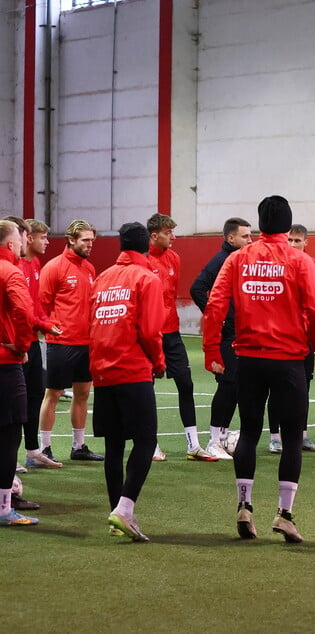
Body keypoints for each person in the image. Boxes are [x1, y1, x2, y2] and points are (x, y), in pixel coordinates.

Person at [203, 195, 315, 542]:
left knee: (248, 431)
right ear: (289, 227)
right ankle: (285, 515)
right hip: (289, 360)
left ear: (259, 225)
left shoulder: (239, 259)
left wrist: (210, 349)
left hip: (250, 359)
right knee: (291, 437)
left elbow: (215, 305)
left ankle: (244, 507)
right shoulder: (300, 261)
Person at [90, 222, 166, 541]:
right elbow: (149, 330)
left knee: (113, 446)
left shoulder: (102, 278)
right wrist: (159, 362)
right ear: (146, 246)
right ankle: (124, 509)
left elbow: (90, 322)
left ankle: (115, 514)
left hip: (103, 370)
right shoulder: (147, 278)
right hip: (132, 369)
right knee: (146, 441)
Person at [147, 213, 216, 461]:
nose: (173, 237)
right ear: (154, 235)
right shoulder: (142, 261)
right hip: (149, 334)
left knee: (186, 384)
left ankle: (193, 445)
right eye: (169, 233)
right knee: (148, 390)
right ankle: (150, 444)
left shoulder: (174, 258)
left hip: (172, 333)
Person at [38, 219, 103, 462]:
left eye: (92, 241)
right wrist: (50, 330)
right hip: (61, 344)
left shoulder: (89, 268)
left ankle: (78, 447)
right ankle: (44, 448)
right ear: (71, 240)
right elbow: (41, 306)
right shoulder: (54, 268)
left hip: (85, 343)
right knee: (53, 394)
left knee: (83, 394)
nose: (90, 245)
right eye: (85, 240)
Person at [190, 217, 253, 460]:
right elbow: (196, 288)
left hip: (238, 332)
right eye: (245, 236)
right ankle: (215, 440)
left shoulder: (241, 259)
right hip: (225, 335)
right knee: (227, 386)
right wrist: (220, 315)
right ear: (231, 238)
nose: (251, 240)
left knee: (236, 386)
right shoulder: (221, 260)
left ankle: (222, 437)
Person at [269, 223, 315, 453]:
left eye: (297, 241)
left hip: (304, 340)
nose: (292, 245)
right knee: (276, 389)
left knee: (304, 388)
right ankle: (274, 437)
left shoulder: (312, 265)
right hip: (279, 339)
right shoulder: (275, 265)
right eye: (289, 240)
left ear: (306, 243)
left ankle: (302, 434)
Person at [0, 219, 39, 526]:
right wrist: (22, 345)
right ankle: (4, 509)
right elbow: (23, 313)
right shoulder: (11, 271)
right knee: (9, 435)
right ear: (11, 244)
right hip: (6, 364)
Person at [17, 219, 63, 470]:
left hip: (32, 341)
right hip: (18, 345)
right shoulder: (16, 266)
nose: (47, 241)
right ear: (29, 238)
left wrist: (46, 322)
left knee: (35, 395)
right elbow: (20, 310)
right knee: (15, 404)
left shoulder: (35, 263)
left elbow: (35, 306)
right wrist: (44, 324)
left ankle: (33, 450)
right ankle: (8, 460)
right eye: (43, 237)